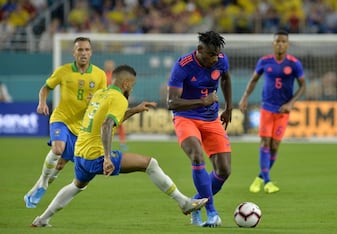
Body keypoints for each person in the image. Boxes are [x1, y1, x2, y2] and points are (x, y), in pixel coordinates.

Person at [31, 64, 208, 227]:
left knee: (76, 185)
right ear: (126, 83)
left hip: (80, 153)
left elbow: (110, 121)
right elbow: (107, 125)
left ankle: (42, 219)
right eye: (133, 85)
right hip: (96, 155)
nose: (132, 88)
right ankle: (183, 202)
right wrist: (107, 158)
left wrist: (134, 110)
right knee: (150, 164)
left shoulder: (101, 94)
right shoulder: (119, 99)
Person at [24, 37, 107, 208]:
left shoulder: (99, 75)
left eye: (87, 50)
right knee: (57, 148)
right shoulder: (63, 71)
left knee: (60, 164)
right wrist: (42, 102)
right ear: (73, 52)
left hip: (81, 127)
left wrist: (96, 100)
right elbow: (45, 88)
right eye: (80, 50)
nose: (83, 53)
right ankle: (44, 183)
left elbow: (104, 100)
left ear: (91, 52)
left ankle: (37, 188)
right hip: (61, 119)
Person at [167, 31, 232, 227]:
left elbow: (226, 79)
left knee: (224, 170)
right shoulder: (183, 66)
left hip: (211, 119)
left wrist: (229, 107)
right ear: (200, 50)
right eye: (211, 54)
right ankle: (212, 212)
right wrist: (202, 101)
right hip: (186, 118)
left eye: (217, 54)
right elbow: (171, 102)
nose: (215, 59)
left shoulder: (220, 60)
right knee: (197, 156)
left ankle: (195, 202)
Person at [238, 30, 306, 194]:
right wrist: (245, 97)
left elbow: (303, 86)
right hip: (267, 108)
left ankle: (260, 177)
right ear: (273, 43)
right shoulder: (264, 61)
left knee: (275, 146)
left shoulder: (294, 63)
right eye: (277, 41)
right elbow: (254, 80)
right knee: (265, 143)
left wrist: (291, 103)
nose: (280, 44)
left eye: (283, 41)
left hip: (283, 110)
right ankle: (268, 181)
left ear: (287, 44)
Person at [104, 59, 128, 150]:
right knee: (106, 123)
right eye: (108, 65)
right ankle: (105, 142)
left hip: (116, 103)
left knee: (119, 123)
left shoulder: (117, 76)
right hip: (106, 103)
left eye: (111, 65)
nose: (109, 66)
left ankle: (122, 142)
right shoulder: (103, 76)